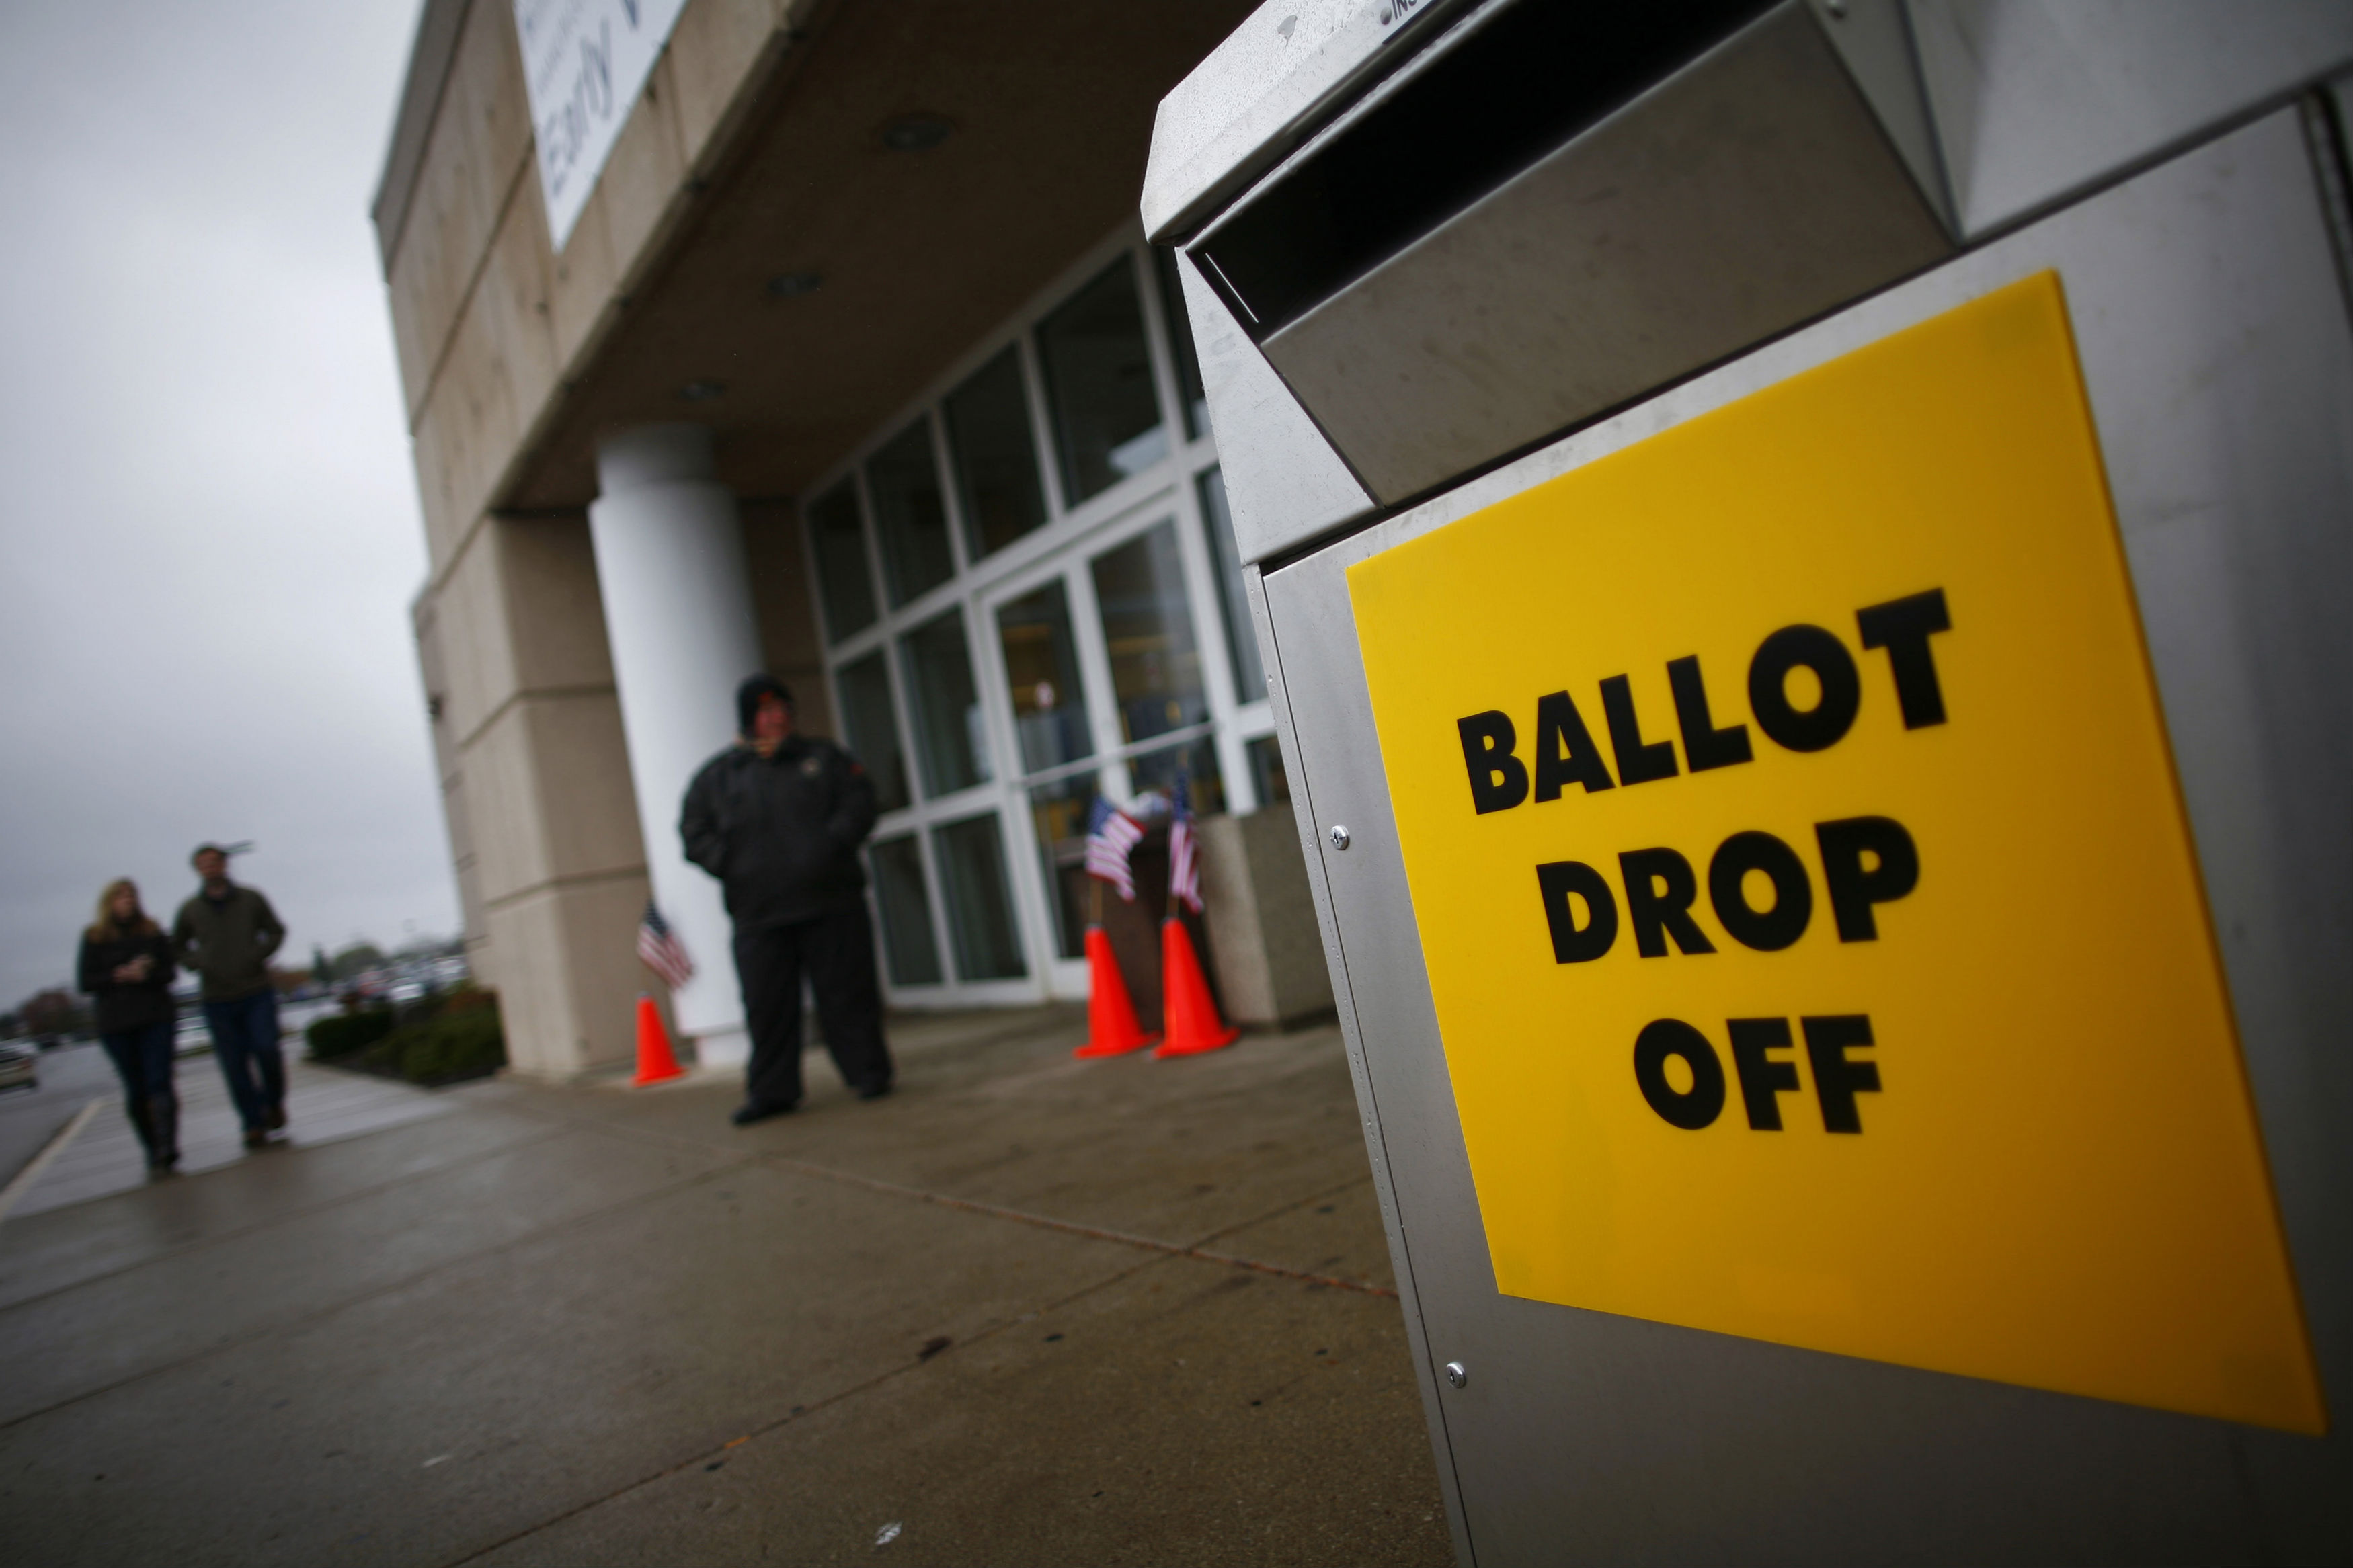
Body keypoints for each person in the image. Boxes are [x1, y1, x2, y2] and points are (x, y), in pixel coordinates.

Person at [681, 674, 894, 1124]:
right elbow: (693, 832)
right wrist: (732, 864)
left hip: (832, 904)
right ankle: (773, 1092)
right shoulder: (719, 776)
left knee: (848, 997)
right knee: (767, 1008)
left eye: (783, 708)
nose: (777, 717)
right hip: (759, 916)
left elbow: (861, 802)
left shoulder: (825, 758)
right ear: (748, 719)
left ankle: (868, 1073)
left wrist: (831, 844)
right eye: (766, 710)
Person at [172, 844, 288, 1149]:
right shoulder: (190, 909)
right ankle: (252, 1124)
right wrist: (198, 963)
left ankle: (273, 1103)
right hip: (217, 998)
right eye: (203, 864)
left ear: (225, 865)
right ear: (198, 870)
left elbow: (276, 931)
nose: (210, 868)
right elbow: (177, 946)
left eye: (214, 862)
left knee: (267, 1049)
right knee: (234, 1065)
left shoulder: (251, 898)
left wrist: (257, 955)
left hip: (256, 991)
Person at [77, 879, 181, 1175]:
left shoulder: (152, 932)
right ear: (109, 902)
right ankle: (151, 1148)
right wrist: (115, 976)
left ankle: (167, 1148)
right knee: (136, 1088)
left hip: (156, 1018)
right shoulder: (94, 937)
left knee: (160, 1082)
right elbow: (85, 982)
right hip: (116, 1024)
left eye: (131, 895)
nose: (127, 901)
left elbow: (170, 972)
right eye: (121, 896)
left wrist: (144, 975)